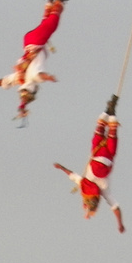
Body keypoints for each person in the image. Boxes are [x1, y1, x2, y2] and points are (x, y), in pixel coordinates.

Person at [0, 0, 69, 120]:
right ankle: (50, 0)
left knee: (52, 24)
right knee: (46, 24)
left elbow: (40, 75)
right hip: (28, 41)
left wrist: (49, 78)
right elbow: (2, 81)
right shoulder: (18, 79)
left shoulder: (32, 78)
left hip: (35, 42)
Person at [54, 96, 125, 232]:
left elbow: (115, 207)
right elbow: (72, 175)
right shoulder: (85, 184)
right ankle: (109, 110)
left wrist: (120, 223)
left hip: (107, 156)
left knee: (112, 131)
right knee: (100, 129)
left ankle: (111, 110)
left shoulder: (102, 190)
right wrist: (61, 168)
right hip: (98, 154)